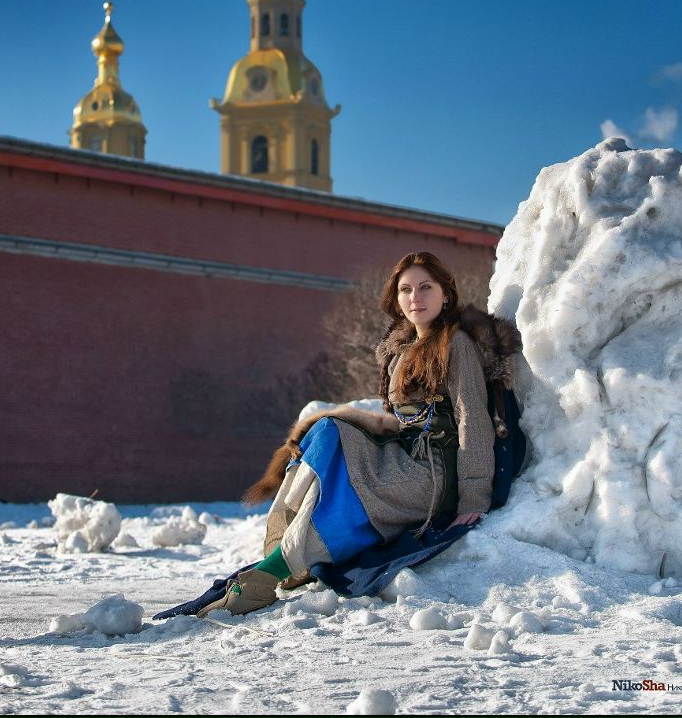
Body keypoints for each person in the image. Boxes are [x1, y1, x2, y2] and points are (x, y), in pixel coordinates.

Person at [196, 251, 497, 617]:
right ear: (397, 299)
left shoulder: (456, 345)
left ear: (446, 294)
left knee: (346, 494)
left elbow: (473, 418)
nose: (415, 297)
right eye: (406, 290)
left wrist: (474, 496)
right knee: (327, 433)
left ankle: (273, 571)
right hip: (404, 455)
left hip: (432, 471)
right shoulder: (402, 351)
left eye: (425, 287)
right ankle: (280, 554)